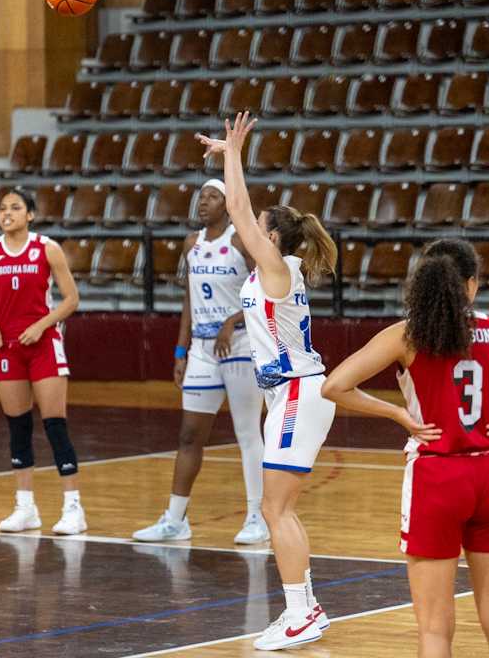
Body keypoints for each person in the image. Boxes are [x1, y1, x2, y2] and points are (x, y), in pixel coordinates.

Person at [322, 238, 489, 658]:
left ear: (423, 282)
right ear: (472, 284)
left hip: (437, 474)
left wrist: (398, 414)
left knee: (434, 632)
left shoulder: (407, 336)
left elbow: (334, 386)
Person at [196, 112, 339, 650]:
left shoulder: (278, 267)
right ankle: (306, 607)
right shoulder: (271, 272)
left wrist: (233, 155)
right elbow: (242, 213)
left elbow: (236, 208)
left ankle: (300, 612)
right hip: (290, 393)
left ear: (271, 237)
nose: (246, 228)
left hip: (298, 392)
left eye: (258, 226)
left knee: (274, 509)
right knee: (280, 508)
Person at [132, 178, 268, 546]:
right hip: (202, 350)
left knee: (247, 433)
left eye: (213, 196)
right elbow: (189, 300)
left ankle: (258, 516)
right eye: (202, 196)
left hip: (240, 345)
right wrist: (181, 350)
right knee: (190, 434)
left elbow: (265, 289)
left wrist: (233, 321)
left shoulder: (241, 241)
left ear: (228, 204)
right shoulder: (191, 243)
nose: (204, 202)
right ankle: (176, 520)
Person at [0, 188, 87, 535]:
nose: (7, 213)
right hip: (6, 347)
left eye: (15, 208)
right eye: (2, 208)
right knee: (18, 426)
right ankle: (25, 507)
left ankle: (73, 508)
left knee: (55, 424)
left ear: (30, 215)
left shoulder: (47, 248)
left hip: (43, 345)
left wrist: (42, 325)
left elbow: (71, 299)